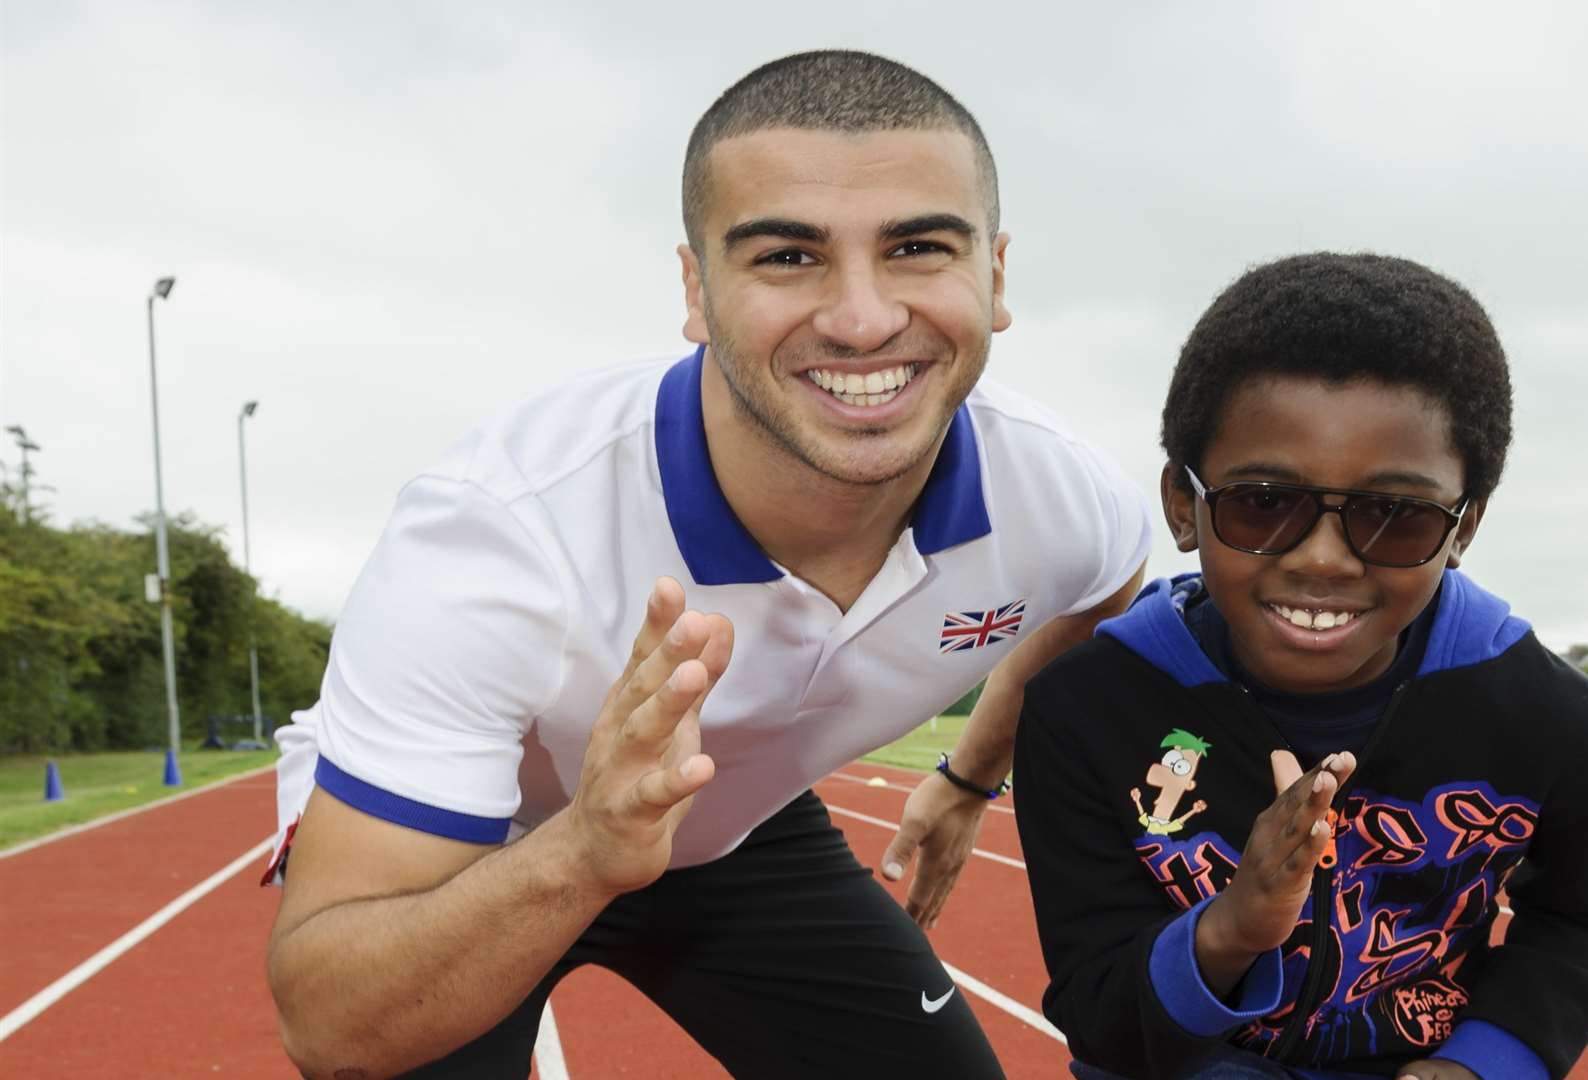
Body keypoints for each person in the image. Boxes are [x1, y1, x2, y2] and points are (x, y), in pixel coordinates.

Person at [263, 50, 1151, 1079]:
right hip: (478, 851)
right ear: (696, 289)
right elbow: (330, 1024)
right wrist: (590, 847)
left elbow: (1102, 598)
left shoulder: (1058, 495)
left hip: (734, 833)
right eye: (787, 257)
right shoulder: (500, 535)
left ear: (994, 278)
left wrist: (967, 779)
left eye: (916, 247)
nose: (863, 318)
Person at [1014, 254, 1588, 1080]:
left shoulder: (1566, 728)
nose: (1324, 559)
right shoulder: (1088, 711)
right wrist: (1235, 925)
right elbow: (1101, 1011)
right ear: (1184, 503)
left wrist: (1480, 1064)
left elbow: (1585, 918)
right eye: (1262, 502)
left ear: (1465, 527)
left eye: (1396, 516)